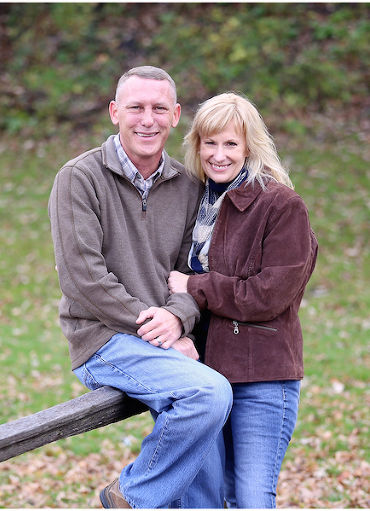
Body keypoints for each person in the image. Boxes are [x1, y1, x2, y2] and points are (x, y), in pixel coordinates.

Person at [48, 66, 233, 509]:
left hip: (163, 337)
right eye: (136, 108)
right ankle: (132, 497)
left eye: (158, 109)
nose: (147, 120)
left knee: (208, 472)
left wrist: (178, 319)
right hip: (104, 339)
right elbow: (83, 277)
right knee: (208, 394)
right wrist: (158, 329)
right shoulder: (79, 178)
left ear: (176, 115)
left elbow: (190, 272)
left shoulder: (189, 186)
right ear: (115, 112)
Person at [168, 92, 318, 509]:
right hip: (202, 376)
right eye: (210, 143)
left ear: (249, 146)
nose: (219, 155)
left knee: (250, 498)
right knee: (203, 498)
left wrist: (196, 287)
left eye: (231, 144)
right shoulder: (194, 202)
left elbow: (268, 295)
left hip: (262, 377)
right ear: (197, 145)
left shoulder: (281, 205)